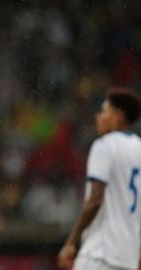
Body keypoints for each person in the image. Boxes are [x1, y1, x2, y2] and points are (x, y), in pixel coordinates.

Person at [58, 88, 141, 270]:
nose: (99, 117)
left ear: (118, 115)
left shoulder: (105, 145)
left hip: (100, 254)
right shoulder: (139, 149)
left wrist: (71, 242)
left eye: (104, 111)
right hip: (128, 258)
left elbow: (95, 200)